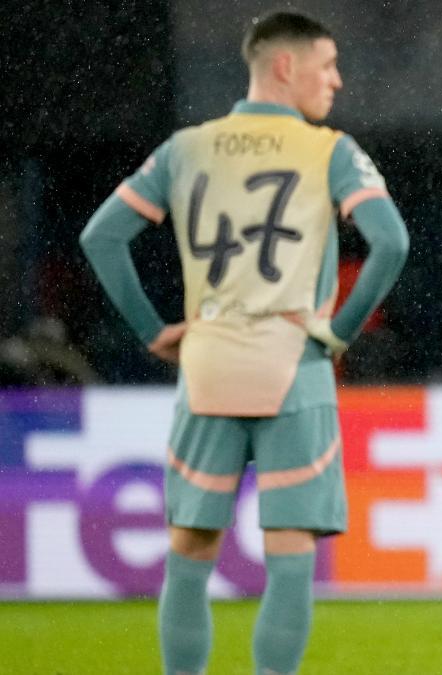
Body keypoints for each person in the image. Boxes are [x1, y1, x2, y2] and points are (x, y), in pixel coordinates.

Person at [78, 11, 409, 674]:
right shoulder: (329, 150)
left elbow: (100, 237)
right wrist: (340, 332)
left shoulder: (186, 147)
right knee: (289, 559)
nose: (337, 81)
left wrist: (152, 330)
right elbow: (391, 242)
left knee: (189, 551)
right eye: (327, 65)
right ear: (285, 67)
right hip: (295, 365)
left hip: (208, 365)